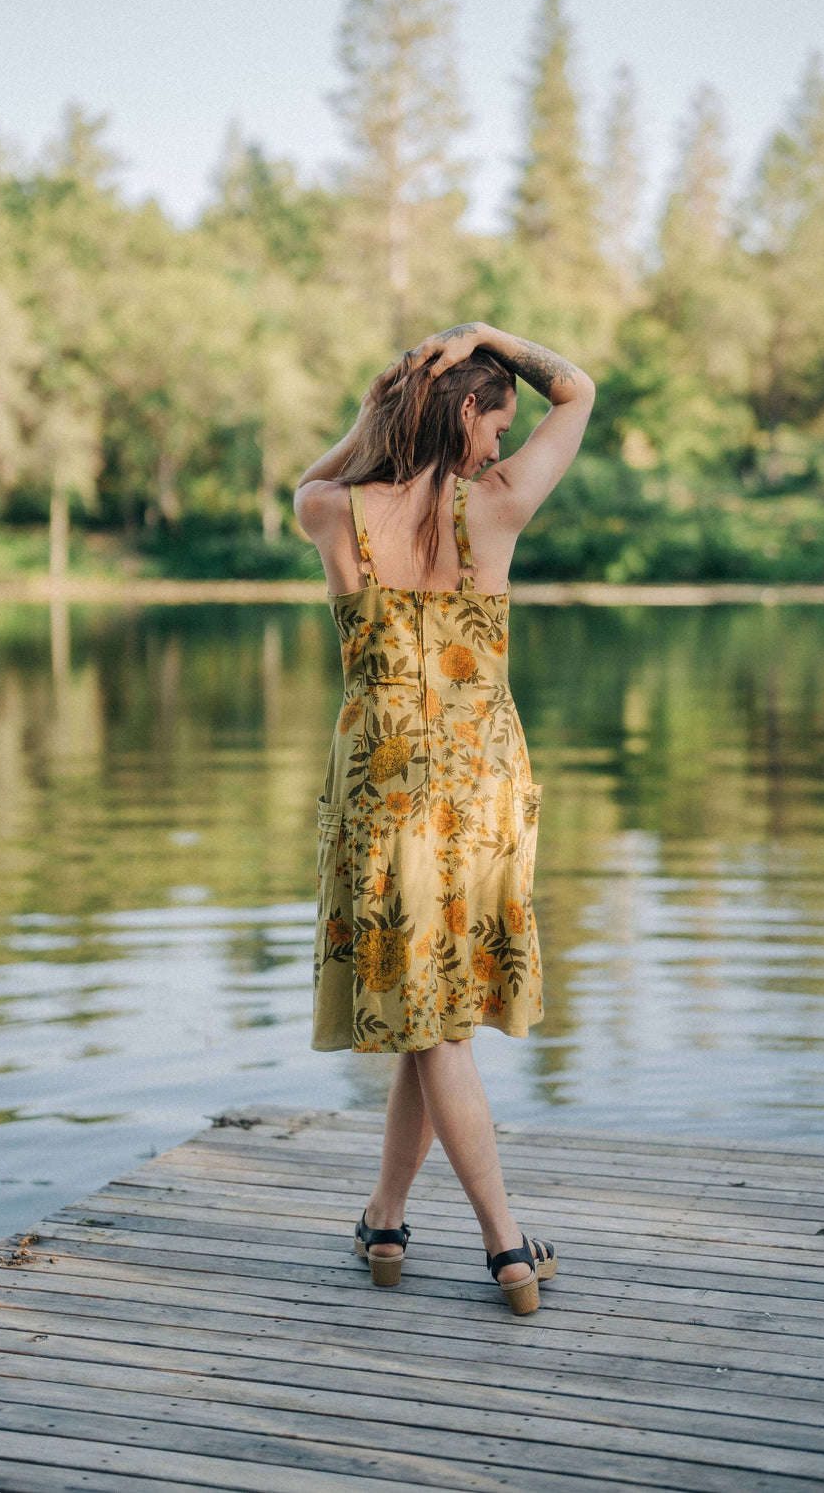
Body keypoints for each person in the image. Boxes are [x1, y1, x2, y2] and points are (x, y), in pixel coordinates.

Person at [294, 320, 595, 1313]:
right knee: (440, 1021)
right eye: (494, 426)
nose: (501, 448)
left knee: (435, 1023)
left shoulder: (334, 513)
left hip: (384, 792)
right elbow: (579, 391)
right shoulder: (497, 508)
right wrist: (489, 335)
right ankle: (502, 1244)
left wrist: (381, 405)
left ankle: (394, 1225)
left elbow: (313, 474)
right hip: (481, 791)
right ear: (467, 409)